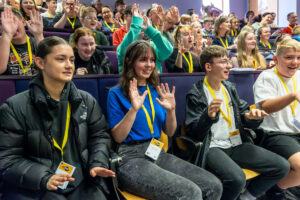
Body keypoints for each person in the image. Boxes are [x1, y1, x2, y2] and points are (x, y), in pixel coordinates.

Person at [0, 36, 115, 199]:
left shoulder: (86, 100)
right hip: (36, 185)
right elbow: (7, 158)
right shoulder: (14, 107)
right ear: (40, 63)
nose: (69, 65)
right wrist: (43, 178)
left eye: (72, 60)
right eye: (61, 59)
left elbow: (99, 137)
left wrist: (97, 163)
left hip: (79, 179)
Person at [107, 40, 223, 200]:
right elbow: (118, 137)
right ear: (130, 61)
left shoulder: (156, 90)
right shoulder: (116, 93)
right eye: (143, 60)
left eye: (152, 60)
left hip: (155, 150)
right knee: (191, 193)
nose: (149, 65)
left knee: (213, 185)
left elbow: (169, 131)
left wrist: (171, 110)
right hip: (130, 158)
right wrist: (134, 109)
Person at [185, 45, 290, 200]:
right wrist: (208, 116)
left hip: (236, 143)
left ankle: (247, 196)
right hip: (212, 147)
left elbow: (244, 113)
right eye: (223, 62)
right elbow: (194, 132)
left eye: (228, 61)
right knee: (237, 179)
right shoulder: (196, 93)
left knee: (282, 166)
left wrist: (254, 117)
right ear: (208, 66)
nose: (229, 65)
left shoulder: (228, 87)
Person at [253, 39, 300, 199]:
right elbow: (266, 107)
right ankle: (275, 189)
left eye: (298, 58)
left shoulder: (299, 75)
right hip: (274, 134)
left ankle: (291, 186)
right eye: (289, 57)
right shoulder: (266, 77)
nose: (295, 62)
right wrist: (292, 96)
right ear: (275, 59)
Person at [117, 4, 172, 74]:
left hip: (154, 83)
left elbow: (168, 50)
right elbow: (127, 47)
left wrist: (150, 29)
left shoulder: (152, 46)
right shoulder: (123, 48)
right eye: (131, 27)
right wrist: (136, 27)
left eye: (152, 60)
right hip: (131, 84)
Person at [0, 6, 43, 75]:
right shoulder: (1, 43)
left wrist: (38, 35)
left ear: (23, 22)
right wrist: (7, 35)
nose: (7, 26)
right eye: (1, 24)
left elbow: (50, 66)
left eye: (12, 20)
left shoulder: (37, 41)